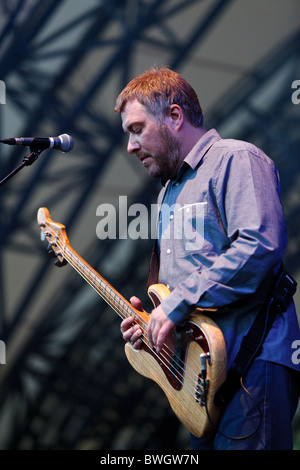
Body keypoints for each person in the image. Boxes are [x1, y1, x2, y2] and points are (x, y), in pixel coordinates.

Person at [114, 67, 300, 450]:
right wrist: (154, 329)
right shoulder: (169, 192)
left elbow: (260, 244)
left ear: (175, 116)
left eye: (136, 129)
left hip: (253, 365)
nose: (131, 146)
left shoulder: (236, 158)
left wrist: (177, 305)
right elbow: (185, 300)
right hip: (203, 382)